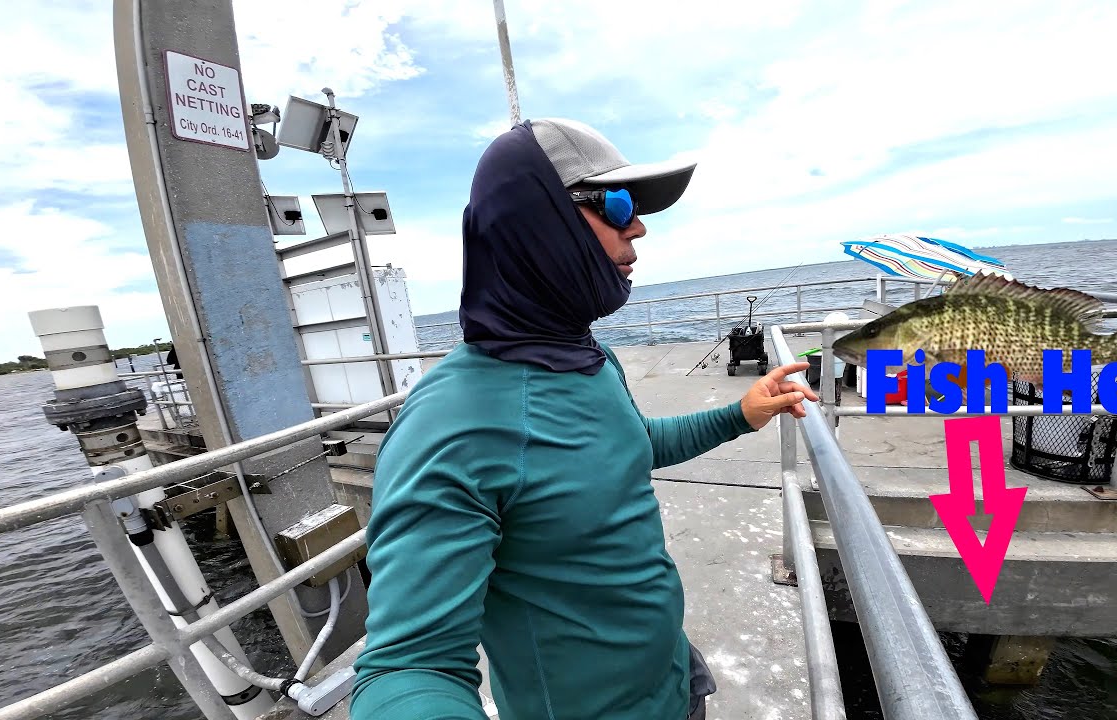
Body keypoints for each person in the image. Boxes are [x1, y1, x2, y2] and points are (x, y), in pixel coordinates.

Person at [349, 118, 817, 720]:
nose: (638, 227)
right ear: (537, 222)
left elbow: (632, 445)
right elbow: (409, 667)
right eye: (618, 206)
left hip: (675, 682)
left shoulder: (591, 358)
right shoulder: (451, 425)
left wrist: (739, 415)